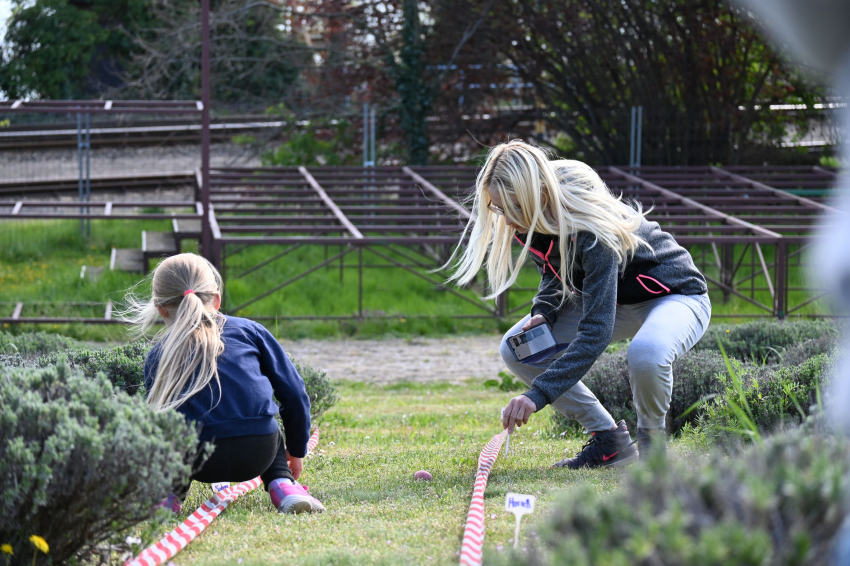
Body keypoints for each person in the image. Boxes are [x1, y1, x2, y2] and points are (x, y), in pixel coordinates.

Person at [447, 140, 711, 468]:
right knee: (518, 349)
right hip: (614, 301)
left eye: (510, 209)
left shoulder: (592, 230)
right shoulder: (531, 217)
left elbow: (595, 332)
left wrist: (536, 395)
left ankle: (652, 448)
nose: (505, 219)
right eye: (498, 209)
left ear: (536, 195)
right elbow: (554, 269)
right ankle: (609, 442)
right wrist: (544, 311)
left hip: (673, 296)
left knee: (645, 354)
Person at [127, 253, 324, 513]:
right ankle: (284, 486)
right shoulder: (251, 331)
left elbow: (160, 424)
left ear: (160, 307)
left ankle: (165, 500)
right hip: (258, 450)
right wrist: (297, 451)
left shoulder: (158, 355)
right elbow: (295, 394)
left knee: (176, 433)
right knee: (268, 422)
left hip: (198, 460)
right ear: (217, 299)